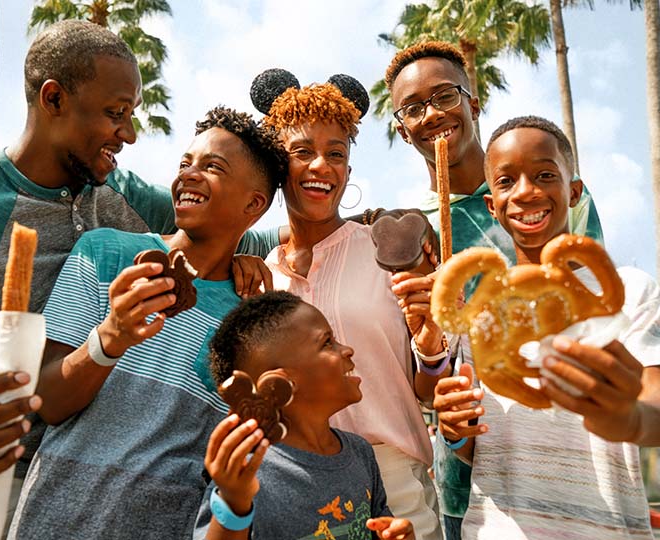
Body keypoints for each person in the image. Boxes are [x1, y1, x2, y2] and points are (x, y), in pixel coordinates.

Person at [0, 20, 276, 539]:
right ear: (53, 99)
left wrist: (261, 257)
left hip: (67, 476)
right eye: (116, 114)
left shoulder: (118, 193)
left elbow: (229, 225)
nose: (129, 134)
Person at [8, 106, 288, 539]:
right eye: (185, 163)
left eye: (213, 167)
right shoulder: (104, 254)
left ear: (254, 204)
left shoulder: (253, 317)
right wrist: (110, 338)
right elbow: (47, 400)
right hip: (55, 520)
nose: (189, 175)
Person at [381, 41, 606, 538]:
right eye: (413, 108)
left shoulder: (547, 194)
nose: (432, 115)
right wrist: (431, 329)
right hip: (472, 476)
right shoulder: (417, 231)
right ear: (403, 128)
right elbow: (428, 377)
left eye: (444, 96)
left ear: (473, 102)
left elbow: (591, 308)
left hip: (574, 458)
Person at [433, 115, 660, 539]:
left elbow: (654, 401)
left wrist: (632, 418)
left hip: (608, 528)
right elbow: (478, 447)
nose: (526, 192)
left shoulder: (628, 292)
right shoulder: (482, 311)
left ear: (573, 191)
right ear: (491, 205)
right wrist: (454, 431)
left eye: (544, 175)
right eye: (506, 181)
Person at [251, 70, 445, 540]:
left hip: (396, 477)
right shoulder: (261, 277)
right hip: (291, 482)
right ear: (278, 164)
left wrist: (432, 346)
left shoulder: (390, 255)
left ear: (349, 171)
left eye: (335, 154)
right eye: (302, 152)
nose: (321, 166)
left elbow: (428, 390)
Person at [194, 291, 416, 540]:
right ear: (280, 384)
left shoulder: (360, 452)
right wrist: (233, 502)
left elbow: (379, 526)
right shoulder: (247, 473)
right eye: (327, 342)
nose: (347, 350)